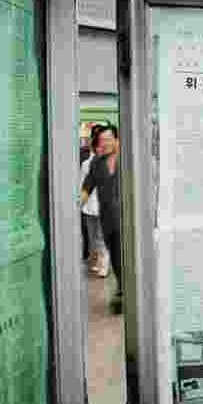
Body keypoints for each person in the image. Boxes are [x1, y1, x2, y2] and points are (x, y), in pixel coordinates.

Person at [80, 125, 124, 312]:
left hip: (127, 220)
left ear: (116, 140)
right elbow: (87, 187)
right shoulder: (96, 163)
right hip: (108, 220)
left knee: (127, 256)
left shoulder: (128, 159)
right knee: (115, 257)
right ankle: (123, 287)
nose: (105, 144)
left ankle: (126, 291)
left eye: (108, 139)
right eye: (102, 141)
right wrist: (77, 204)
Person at [80, 123, 109, 278]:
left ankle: (104, 264)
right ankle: (98, 262)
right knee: (93, 237)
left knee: (101, 237)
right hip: (89, 206)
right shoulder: (86, 163)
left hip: (103, 205)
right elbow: (82, 184)